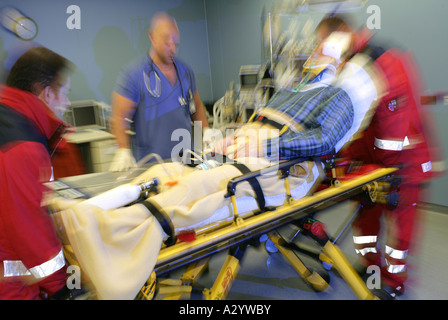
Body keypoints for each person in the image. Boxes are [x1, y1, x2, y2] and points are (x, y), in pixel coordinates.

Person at [51, 27, 385, 299]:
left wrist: (269, 144)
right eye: (317, 50)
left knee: (195, 188)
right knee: (165, 172)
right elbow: (260, 120)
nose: (315, 55)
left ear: (339, 63)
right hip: (243, 151)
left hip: (278, 165)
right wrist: (234, 135)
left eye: (324, 52)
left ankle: (105, 234)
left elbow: (324, 140)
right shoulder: (291, 90)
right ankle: (95, 211)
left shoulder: (338, 97)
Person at [314, 16, 442, 299]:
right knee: (366, 217)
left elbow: (391, 133)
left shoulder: (384, 60)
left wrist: (364, 168)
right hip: (377, 159)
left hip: (404, 162)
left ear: (340, 36)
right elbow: (359, 124)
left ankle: (395, 281)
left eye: (323, 43)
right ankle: (370, 266)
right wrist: (349, 160)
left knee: (401, 229)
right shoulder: (353, 64)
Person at [0, 46, 75, 299]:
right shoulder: (23, 146)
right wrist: (61, 286)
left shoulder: (8, 119)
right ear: (47, 94)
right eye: (63, 94)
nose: (66, 102)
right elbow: (30, 226)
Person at [109, 12, 209, 171]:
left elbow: (196, 107)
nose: (172, 48)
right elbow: (119, 116)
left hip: (187, 160)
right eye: (166, 42)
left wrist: (206, 135)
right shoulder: (134, 74)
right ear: (152, 37)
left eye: (176, 44)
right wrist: (123, 150)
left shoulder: (185, 71)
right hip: (152, 164)